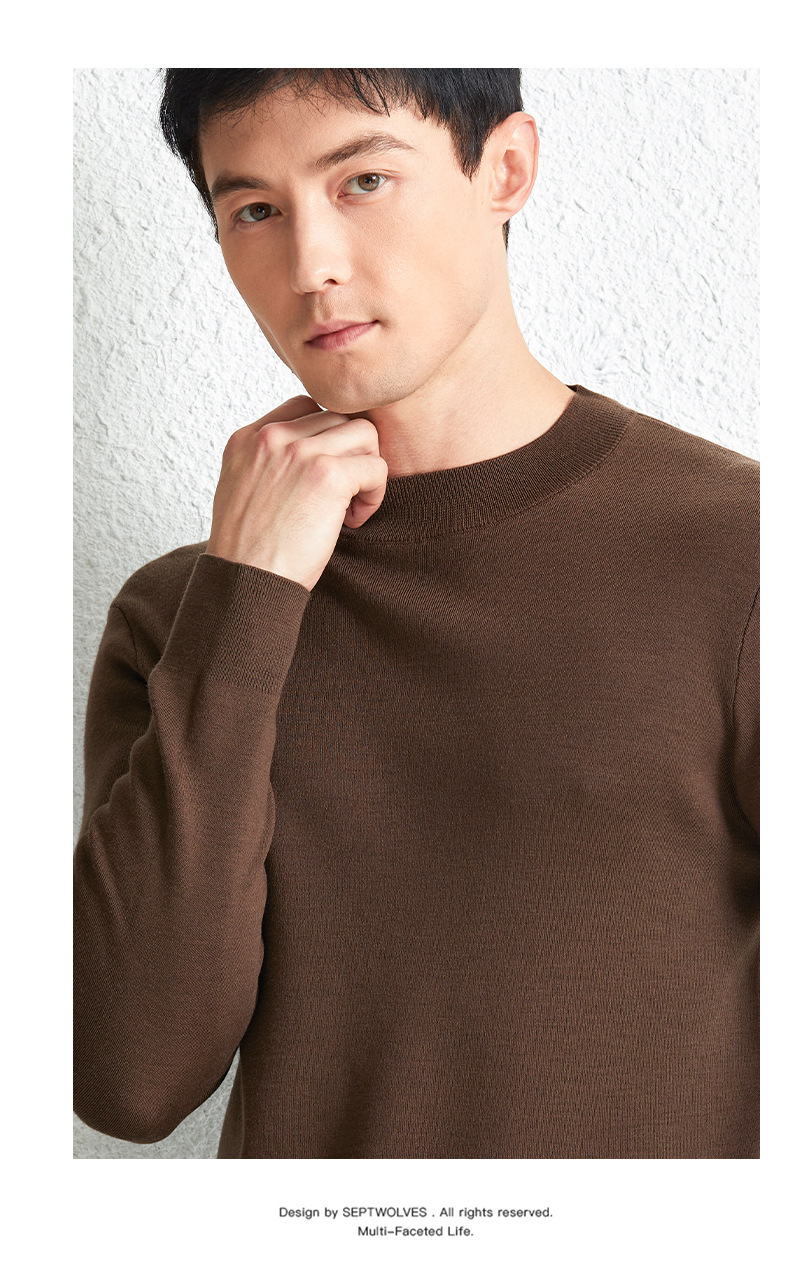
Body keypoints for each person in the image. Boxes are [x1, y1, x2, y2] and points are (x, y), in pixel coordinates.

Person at [73, 68, 759, 1159]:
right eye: (253, 210)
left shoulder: (739, 553)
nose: (311, 265)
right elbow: (130, 1078)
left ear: (506, 168)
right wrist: (246, 593)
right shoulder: (184, 618)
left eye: (363, 181)